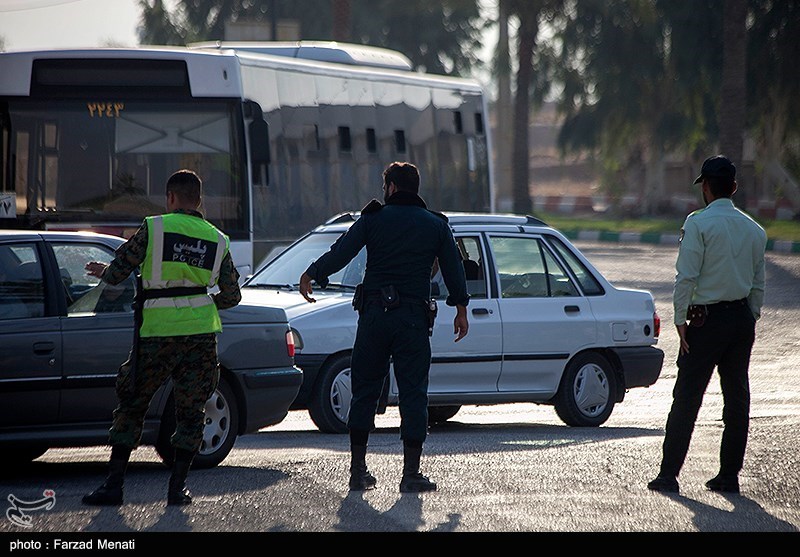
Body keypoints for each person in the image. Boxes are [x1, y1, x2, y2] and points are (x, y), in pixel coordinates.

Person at [299, 161, 469, 493]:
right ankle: (410, 474)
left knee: (364, 390)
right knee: (413, 393)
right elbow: (453, 268)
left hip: (375, 317)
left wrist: (312, 272)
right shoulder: (435, 224)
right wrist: (461, 309)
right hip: (413, 320)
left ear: (390, 187)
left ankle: (358, 470)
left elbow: (342, 253)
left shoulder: (373, 219)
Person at [82, 169, 241, 506]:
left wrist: (105, 272)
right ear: (199, 201)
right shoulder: (218, 239)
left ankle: (113, 487)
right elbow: (231, 295)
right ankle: (177, 489)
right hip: (200, 334)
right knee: (191, 409)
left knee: (133, 403)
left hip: (157, 333)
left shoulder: (154, 227)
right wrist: (203, 301)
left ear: (170, 198)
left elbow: (120, 270)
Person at [648, 155, 767, 494]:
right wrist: (751, 315)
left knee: (687, 397)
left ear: (707, 188)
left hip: (705, 320)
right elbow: (758, 284)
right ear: (733, 187)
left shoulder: (698, 224)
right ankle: (729, 475)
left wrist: (680, 320)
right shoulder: (754, 229)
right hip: (741, 319)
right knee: (737, 398)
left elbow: (686, 276)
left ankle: (669, 475)